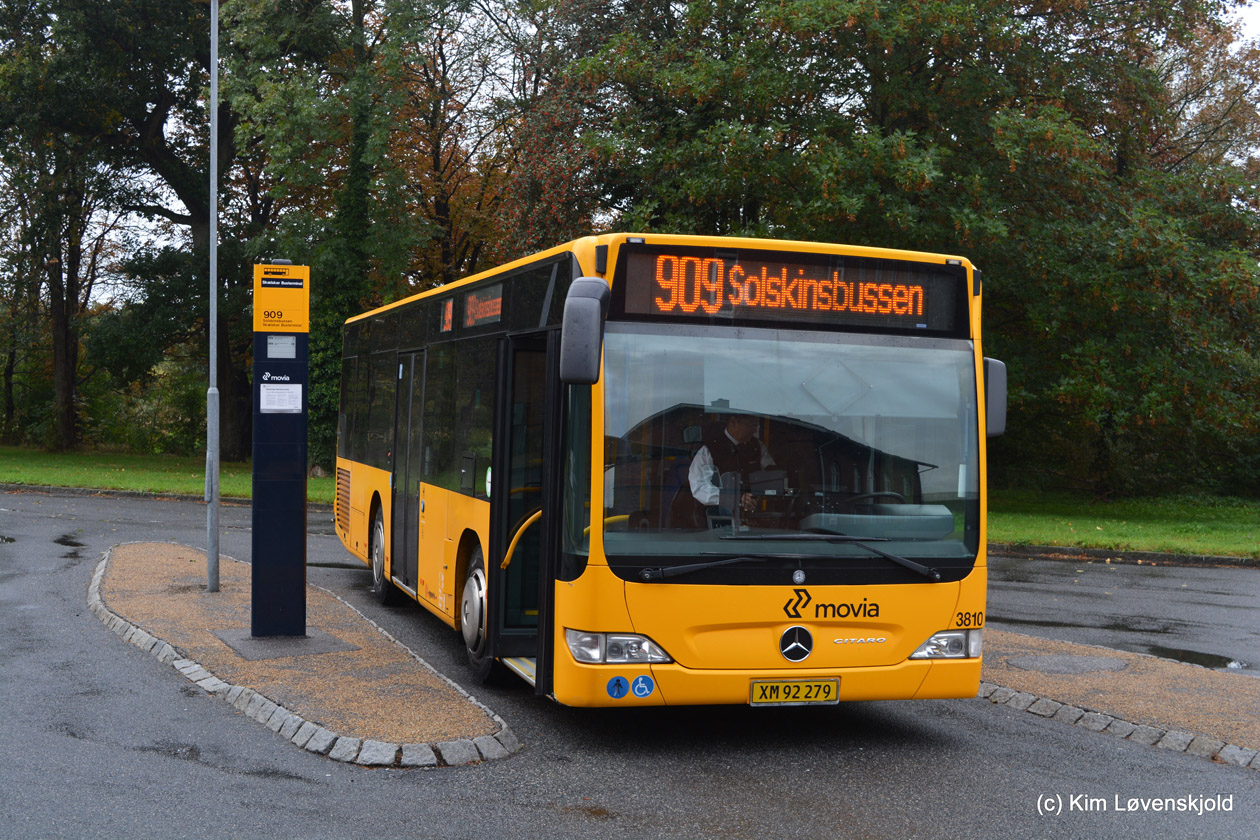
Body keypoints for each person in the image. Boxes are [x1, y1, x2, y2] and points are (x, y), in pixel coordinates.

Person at [688, 413, 776, 515]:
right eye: (751, 425)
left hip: (753, 516)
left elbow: (772, 474)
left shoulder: (758, 446)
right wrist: (734, 498)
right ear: (733, 422)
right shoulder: (709, 449)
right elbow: (700, 487)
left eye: (756, 426)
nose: (755, 430)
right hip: (718, 518)